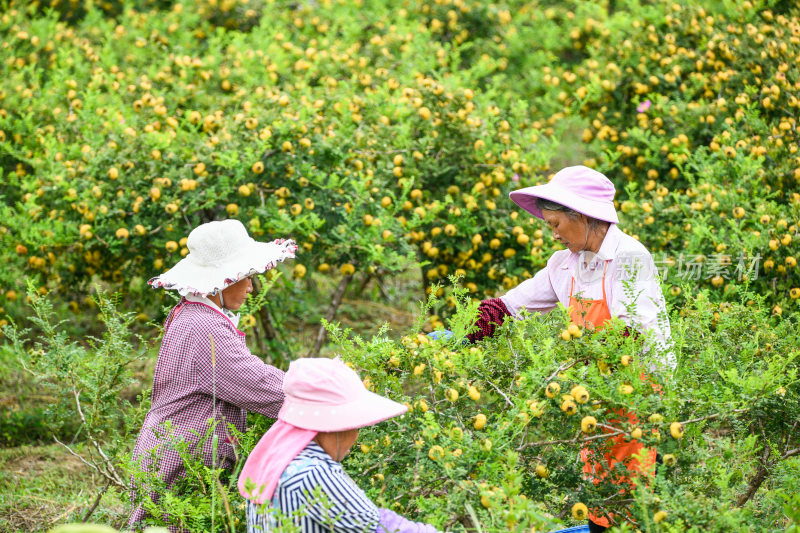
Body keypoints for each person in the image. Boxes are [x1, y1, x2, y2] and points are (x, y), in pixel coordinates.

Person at [454, 166, 673, 531]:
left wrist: (568, 358)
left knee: (629, 501)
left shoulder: (630, 258)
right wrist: (459, 333)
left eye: (556, 223)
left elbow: (635, 333)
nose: (553, 232)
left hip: (640, 397)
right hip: (598, 397)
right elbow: (511, 307)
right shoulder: (565, 264)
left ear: (584, 216)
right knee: (601, 493)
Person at [128, 219, 298, 530]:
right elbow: (255, 383)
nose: (250, 286)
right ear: (220, 281)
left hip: (172, 453)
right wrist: (318, 392)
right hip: (181, 463)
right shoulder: (205, 327)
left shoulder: (194, 314)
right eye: (245, 277)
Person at [239, 357, 440, 533]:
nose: (356, 436)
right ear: (332, 426)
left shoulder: (276, 460)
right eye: (354, 426)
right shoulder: (314, 473)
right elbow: (375, 527)